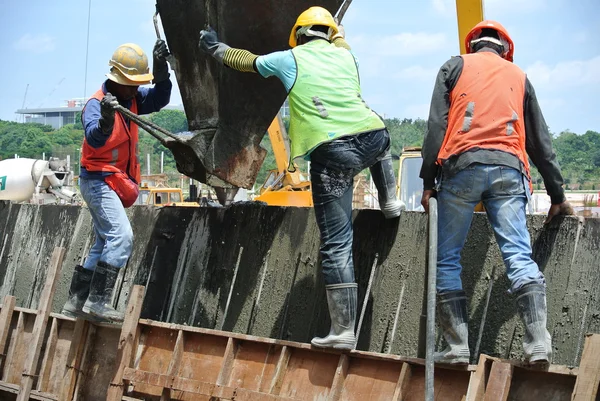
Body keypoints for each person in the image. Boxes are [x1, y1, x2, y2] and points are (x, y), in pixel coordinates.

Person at [199, 6, 405, 349]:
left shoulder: (289, 58)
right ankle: (390, 201)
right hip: (373, 138)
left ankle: (343, 331)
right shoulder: (347, 57)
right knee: (380, 138)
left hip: (333, 154)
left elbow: (244, 60)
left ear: (299, 34)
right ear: (330, 34)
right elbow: (342, 41)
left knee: (338, 245)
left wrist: (213, 48)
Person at [420, 20, 574, 364]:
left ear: (473, 45)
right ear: (505, 49)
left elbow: (436, 127)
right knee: (519, 256)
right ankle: (537, 344)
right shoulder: (519, 76)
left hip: (461, 168)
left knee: (447, 259)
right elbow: (540, 142)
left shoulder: (453, 65)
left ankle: (457, 347)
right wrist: (558, 196)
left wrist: (428, 183)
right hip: (508, 170)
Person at [61, 40, 173, 322]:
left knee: (103, 243)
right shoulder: (96, 105)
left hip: (112, 180)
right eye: (132, 83)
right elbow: (95, 138)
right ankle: (98, 303)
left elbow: (160, 98)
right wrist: (108, 119)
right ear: (117, 79)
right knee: (121, 237)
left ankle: (77, 302)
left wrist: (161, 71)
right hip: (98, 181)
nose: (136, 88)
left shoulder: (131, 98)